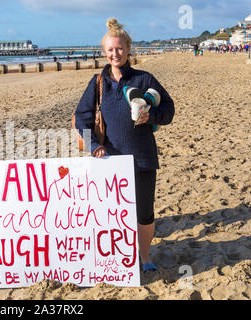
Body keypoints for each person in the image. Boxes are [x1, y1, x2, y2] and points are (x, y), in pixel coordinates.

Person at [74, 18, 175, 273]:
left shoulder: (144, 79)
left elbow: (169, 110)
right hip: (108, 160)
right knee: (109, 214)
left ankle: (145, 256)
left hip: (141, 158)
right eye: (110, 50)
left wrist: (150, 116)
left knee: (143, 212)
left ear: (128, 49)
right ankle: (115, 257)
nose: (115, 54)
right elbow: (81, 118)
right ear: (104, 52)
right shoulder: (98, 83)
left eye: (119, 49)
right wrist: (94, 145)